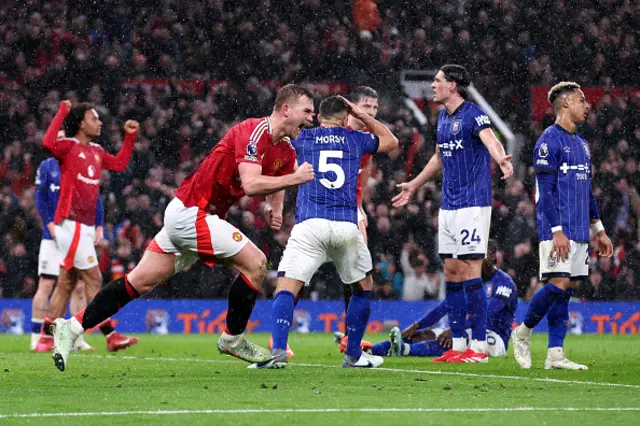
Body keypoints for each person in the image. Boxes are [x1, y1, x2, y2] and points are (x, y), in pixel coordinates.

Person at [49, 84, 316, 372]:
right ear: (286, 109)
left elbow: (279, 175)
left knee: (138, 282)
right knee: (257, 264)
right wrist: (296, 179)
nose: (311, 118)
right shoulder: (254, 131)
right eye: (307, 111)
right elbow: (253, 184)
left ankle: (71, 327)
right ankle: (233, 338)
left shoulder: (285, 149)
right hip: (193, 212)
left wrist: (273, 208)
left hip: (188, 214)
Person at [255, 95, 399, 369]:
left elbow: (274, 144)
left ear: (319, 117)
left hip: (310, 225)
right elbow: (391, 141)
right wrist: (363, 115)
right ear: (346, 118)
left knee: (286, 287)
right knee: (363, 287)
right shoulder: (355, 138)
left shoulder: (303, 138)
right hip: (346, 225)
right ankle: (353, 354)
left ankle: (277, 353)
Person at [392, 64, 513, 363]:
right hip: (449, 205)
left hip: (473, 203)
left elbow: (490, 138)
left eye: (437, 81)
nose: (433, 85)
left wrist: (501, 159)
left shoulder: (473, 114)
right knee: (452, 272)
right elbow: (438, 158)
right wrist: (414, 185)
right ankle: (458, 345)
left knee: (471, 271)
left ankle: (480, 348)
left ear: (454, 85)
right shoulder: (442, 118)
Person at [512, 82, 613, 370]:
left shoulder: (582, 144)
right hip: (557, 228)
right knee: (558, 284)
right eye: (582, 101)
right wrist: (556, 230)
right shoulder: (548, 141)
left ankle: (555, 353)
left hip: (580, 229)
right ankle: (523, 332)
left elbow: (588, 191)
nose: (587, 105)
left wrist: (600, 231)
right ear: (565, 103)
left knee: (566, 289)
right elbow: (544, 192)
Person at [40, 101, 140, 352]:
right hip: (70, 224)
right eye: (94, 118)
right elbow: (47, 143)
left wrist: (130, 138)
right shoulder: (69, 147)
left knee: (66, 282)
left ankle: (45, 336)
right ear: (81, 123)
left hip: (83, 226)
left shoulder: (96, 150)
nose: (99, 122)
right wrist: (62, 111)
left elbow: (119, 165)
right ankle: (110, 335)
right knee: (94, 277)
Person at [335, 240, 517, 359]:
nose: (472, 261)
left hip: (494, 339)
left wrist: (458, 327)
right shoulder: (469, 280)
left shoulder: (504, 283)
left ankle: (405, 351)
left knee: (451, 338)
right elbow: (444, 308)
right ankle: (368, 350)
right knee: (423, 335)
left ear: (492, 257)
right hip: (468, 330)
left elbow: (486, 313)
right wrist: (418, 324)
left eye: (478, 256)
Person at [31, 130, 103, 352]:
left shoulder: (79, 165)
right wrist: (49, 223)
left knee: (79, 288)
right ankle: (37, 338)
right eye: (59, 139)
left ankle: (76, 338)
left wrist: (99, 225)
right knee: (46, 284)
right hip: (52, 236)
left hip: (77, 233)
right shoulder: (47, 166)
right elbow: (40, 198)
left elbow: (95, 198)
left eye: (65, 139)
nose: (62, 142)